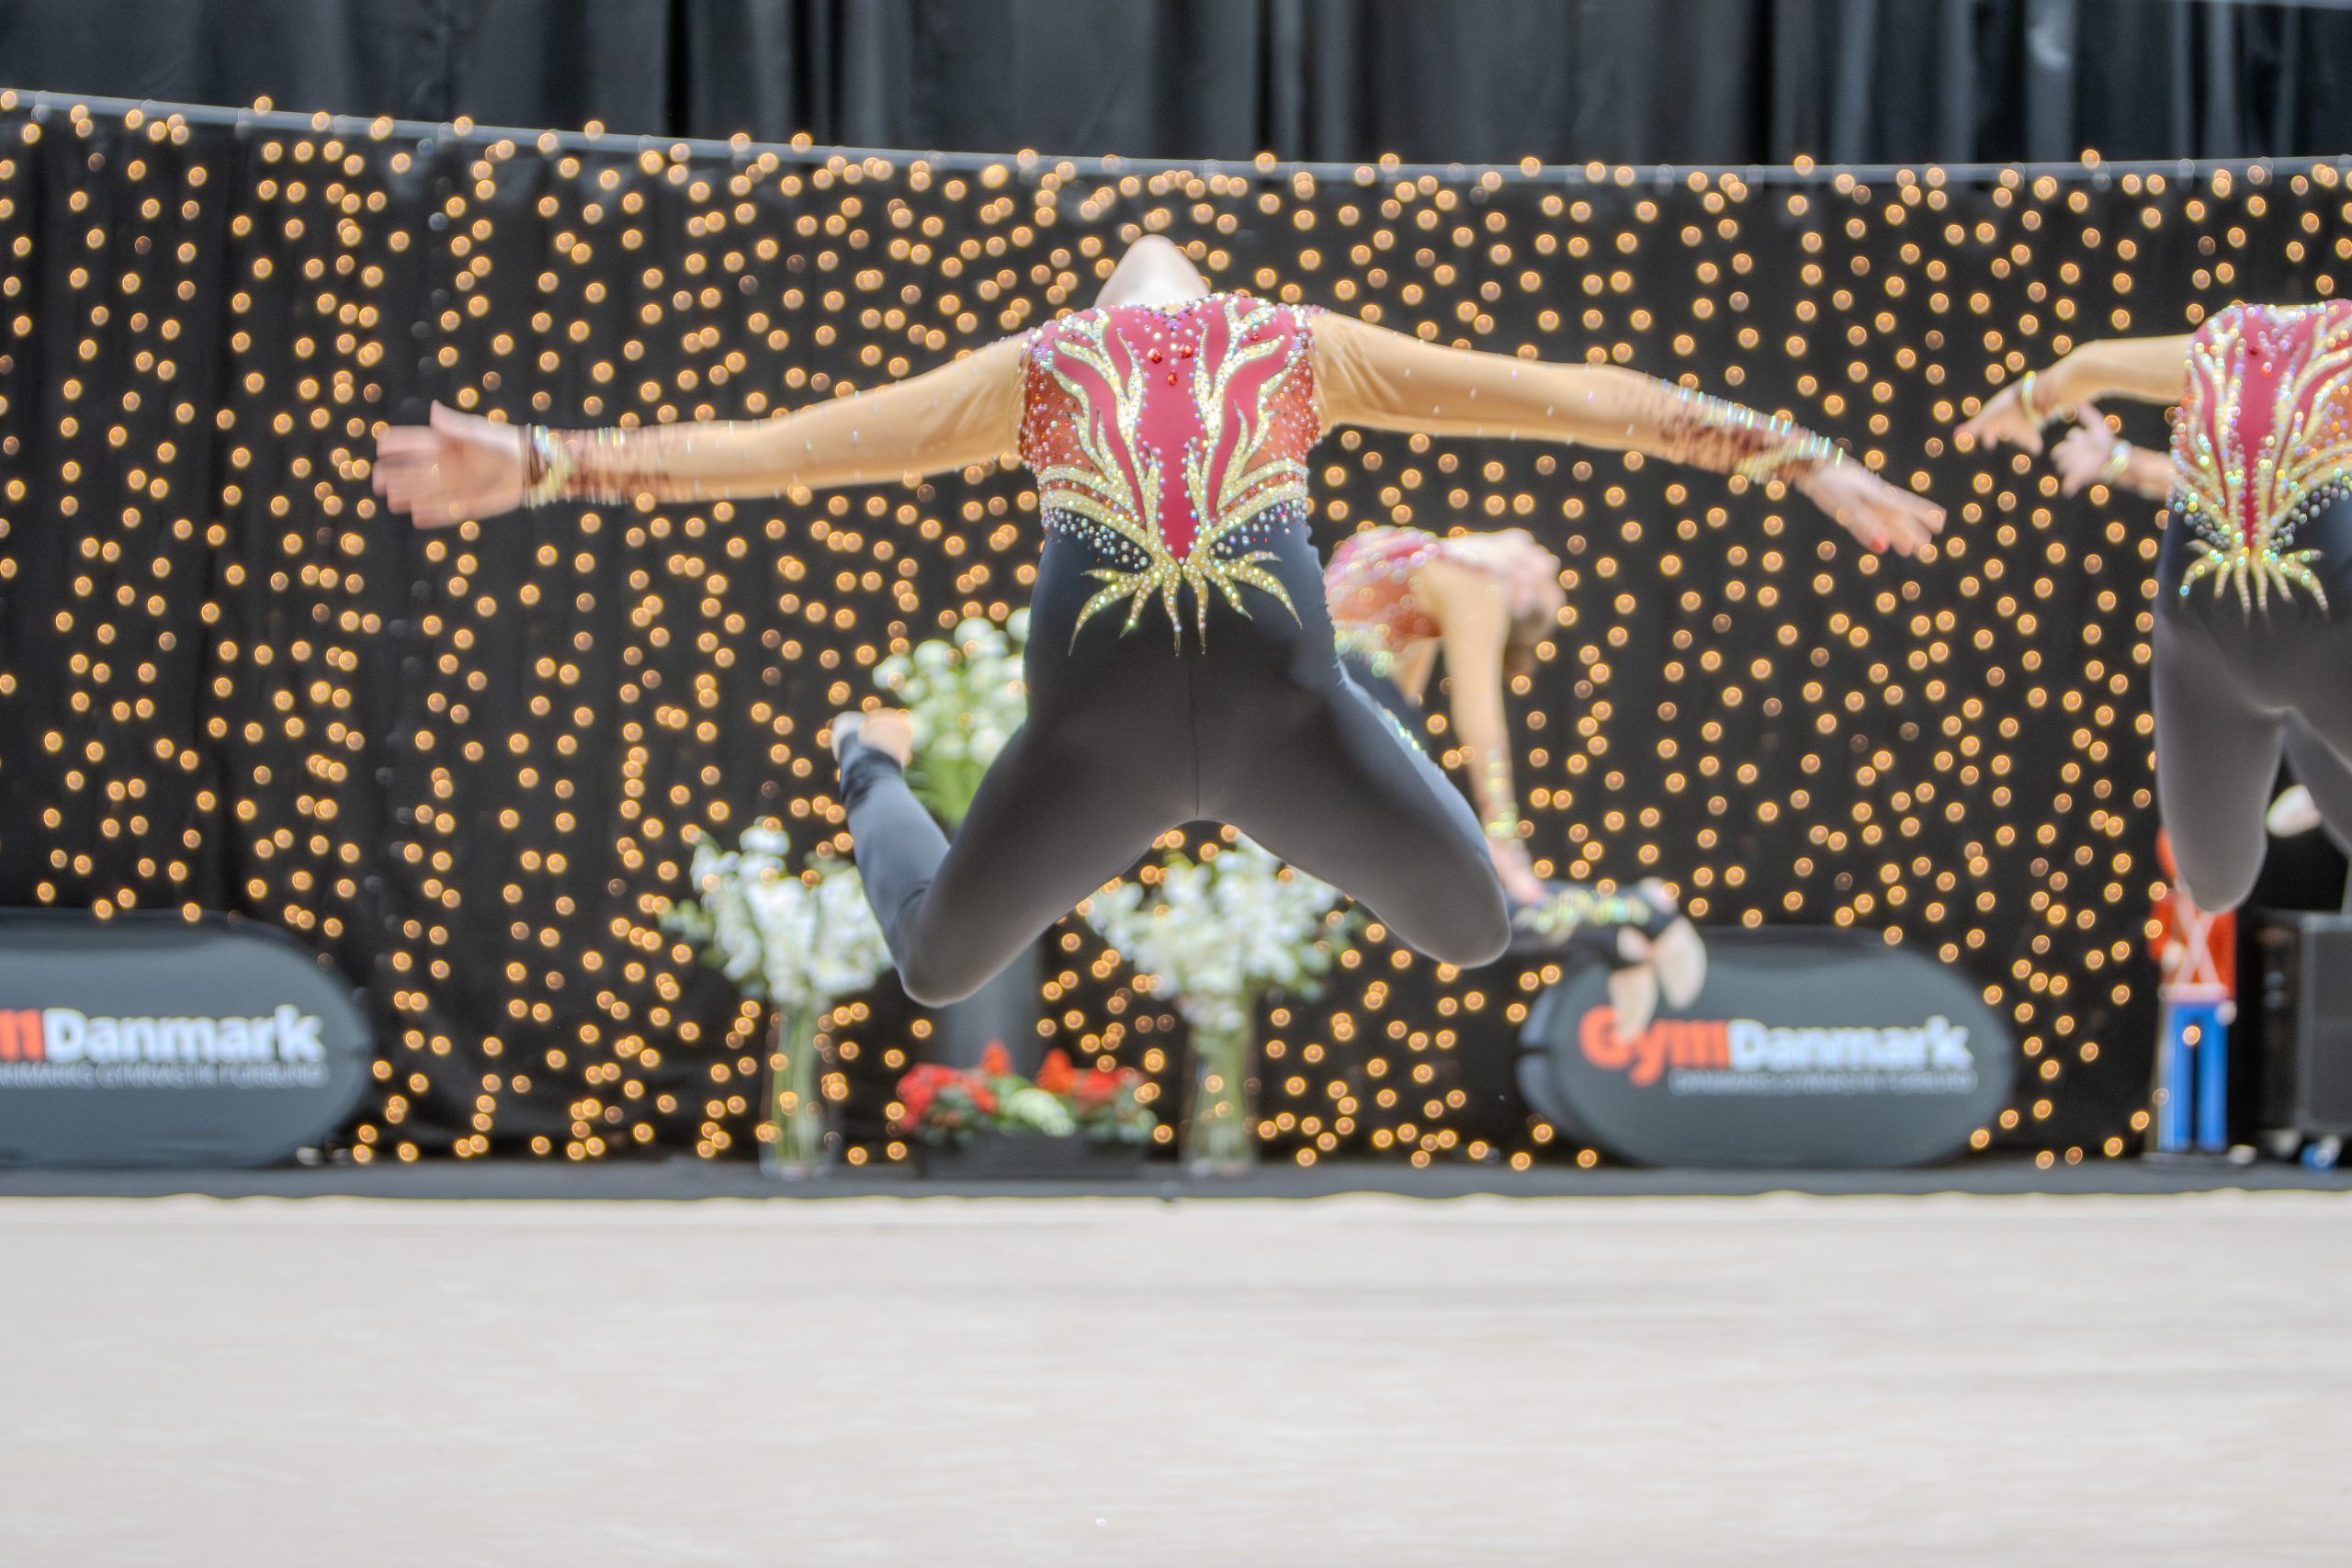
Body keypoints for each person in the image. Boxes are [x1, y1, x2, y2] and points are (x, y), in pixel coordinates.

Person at [378, 236, 1942, 1006]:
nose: (1165, 326)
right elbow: (786, 449)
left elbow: (1580, 400)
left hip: (1272, 730)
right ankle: (869, 757)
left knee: (1475, 927)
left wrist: (1798, 451)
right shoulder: (1052, 366)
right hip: (1119, 748)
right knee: (938, 966)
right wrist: (542, 461)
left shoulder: (1289, 349)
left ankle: (890, 757)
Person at [1960, 300, 2352, 913]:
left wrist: (2038, 401)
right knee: (2215, 882)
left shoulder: (2241, 346)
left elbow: (2088, 366)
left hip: (2318, 651)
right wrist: (2053, 413)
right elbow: (2091, 367)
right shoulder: (2231, 344)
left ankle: (2312, 742)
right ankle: (2308, 736)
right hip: (2207, 657)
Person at [1325, 523, 1704, 1028]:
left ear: (1518, 591)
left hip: (1342, 712)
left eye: (1548, 579)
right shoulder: (1434, 569)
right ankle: (1615, 934)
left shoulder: (1477, 580)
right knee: (1417, 916)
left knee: (1432, 915)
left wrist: (1503, 838)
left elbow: (1479, 721)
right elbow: (1401, 706)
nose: (1549, 561)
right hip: (1342, 713)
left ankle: (1642, 911)